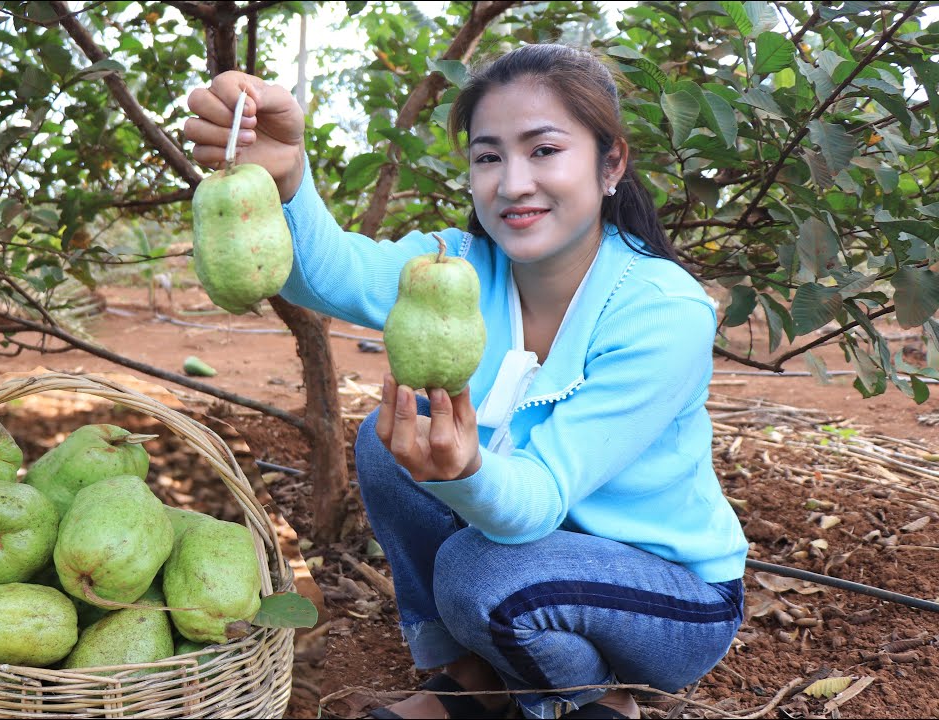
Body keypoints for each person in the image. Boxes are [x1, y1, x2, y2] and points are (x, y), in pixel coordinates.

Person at [186, 43, 748, 720]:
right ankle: (470, 676)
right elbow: (333, 276)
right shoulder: (457, 266)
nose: (513, 184)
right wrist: (287, 173)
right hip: (535, 556)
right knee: (388, 446)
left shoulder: (662, 310)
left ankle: (594, 696)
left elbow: (540, 497)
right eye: (488, 157)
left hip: (666, 603)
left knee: (478, 572)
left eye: (544, 150)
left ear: (611, 164)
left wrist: (466, 474)